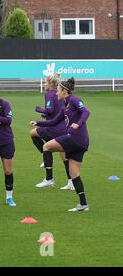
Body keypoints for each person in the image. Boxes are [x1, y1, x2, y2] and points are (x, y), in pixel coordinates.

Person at [30, 77, 90, 212]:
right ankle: (83, 204)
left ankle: (49, 179)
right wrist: (37, 123)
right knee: (74, 173)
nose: (56, 93)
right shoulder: (65, 106)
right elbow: (53, 122)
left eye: (58, 91)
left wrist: (78, 124)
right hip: (80, 143)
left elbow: (86, 112)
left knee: (46, 147)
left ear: (64, 91)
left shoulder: (74, 99)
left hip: (76, 138)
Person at [30, 74, 73, 189]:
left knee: (33, 134)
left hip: (53, 128)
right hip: (64, 127)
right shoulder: (61, 94)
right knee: (64, 156)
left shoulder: (49, 94)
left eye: (45, 82)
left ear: (50, 84)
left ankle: (47, 162)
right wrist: (45, 114)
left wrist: (39, 109)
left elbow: (50, 110)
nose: (44, 84)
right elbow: (58, 110)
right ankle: (71, 182)